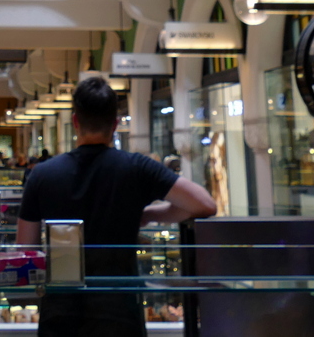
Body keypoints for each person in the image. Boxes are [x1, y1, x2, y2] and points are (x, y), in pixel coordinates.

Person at [17, 77, 217, 337]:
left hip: (61, 308)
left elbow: (25, 251)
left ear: (75, 122)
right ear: (116, 123)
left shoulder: (43, 174)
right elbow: (203, 204)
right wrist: (149, 214)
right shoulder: (136, 168)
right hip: (120, 307)